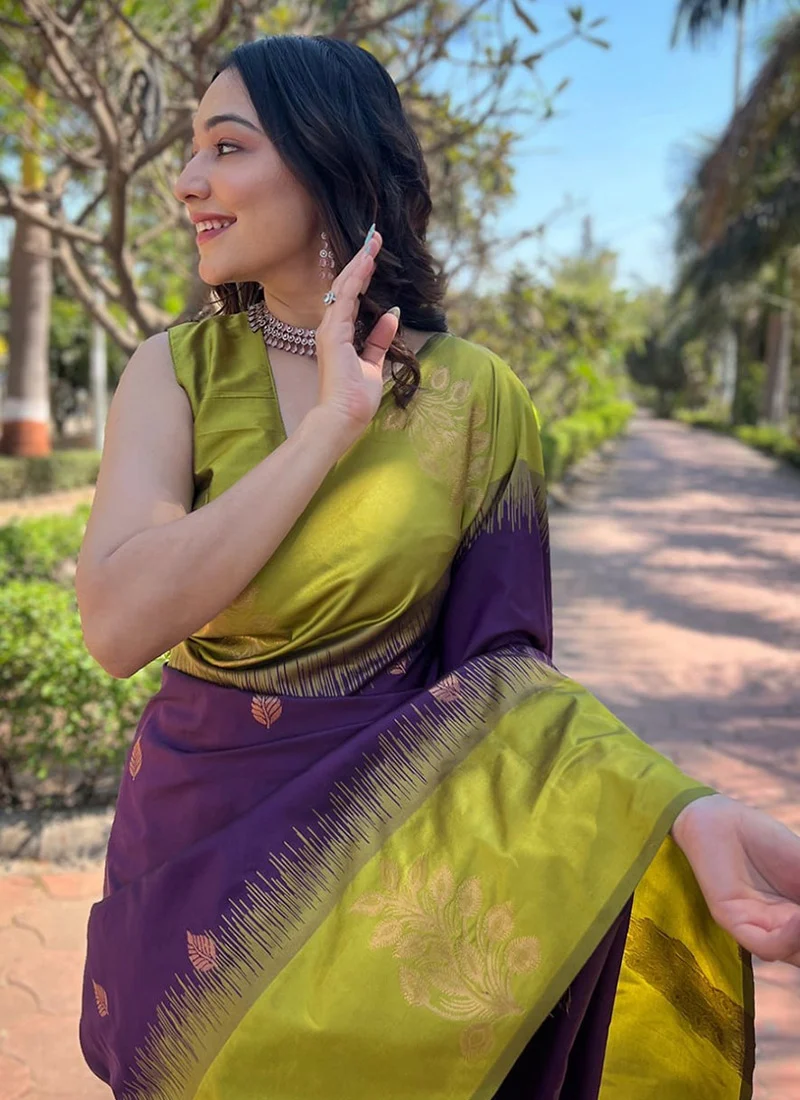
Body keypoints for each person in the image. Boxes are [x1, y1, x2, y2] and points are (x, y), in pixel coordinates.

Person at [76, 34, 800, 1100]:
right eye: (193, 150)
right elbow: (117, 625)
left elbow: (504, 683)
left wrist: (673, 806)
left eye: (225, 147)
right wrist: (327, 430)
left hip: (391, 883)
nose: (187, 181)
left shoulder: (478, 397)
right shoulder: (172, 372)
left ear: (328, 160)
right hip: (191, 867)